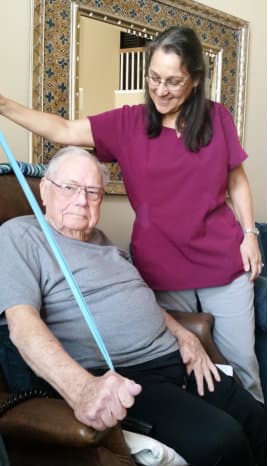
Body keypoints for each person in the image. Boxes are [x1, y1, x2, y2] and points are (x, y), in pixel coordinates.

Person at [0, 26, 263, 402]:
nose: (161, 89)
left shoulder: (217, 118)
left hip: (224, 263)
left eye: (174, 81)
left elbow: (236, 178)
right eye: (154, 78)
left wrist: (250, 234)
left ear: (194, 81)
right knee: (190, 373)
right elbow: (63, 130)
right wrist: (4, 105)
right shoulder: (128, 123)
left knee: (243, 369)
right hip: (161, 272)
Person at [0, 147, 266, 466]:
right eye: (69, 187)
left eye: (92, 191)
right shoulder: (19, 236)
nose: (81, 200)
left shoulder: (101, 240)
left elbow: (140, 298)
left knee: (258, 419)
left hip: (177, 361)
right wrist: (81, 388)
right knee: (223, 441)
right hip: (129, 376)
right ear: (45, 189)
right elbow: (22, 326)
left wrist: (184, 335)